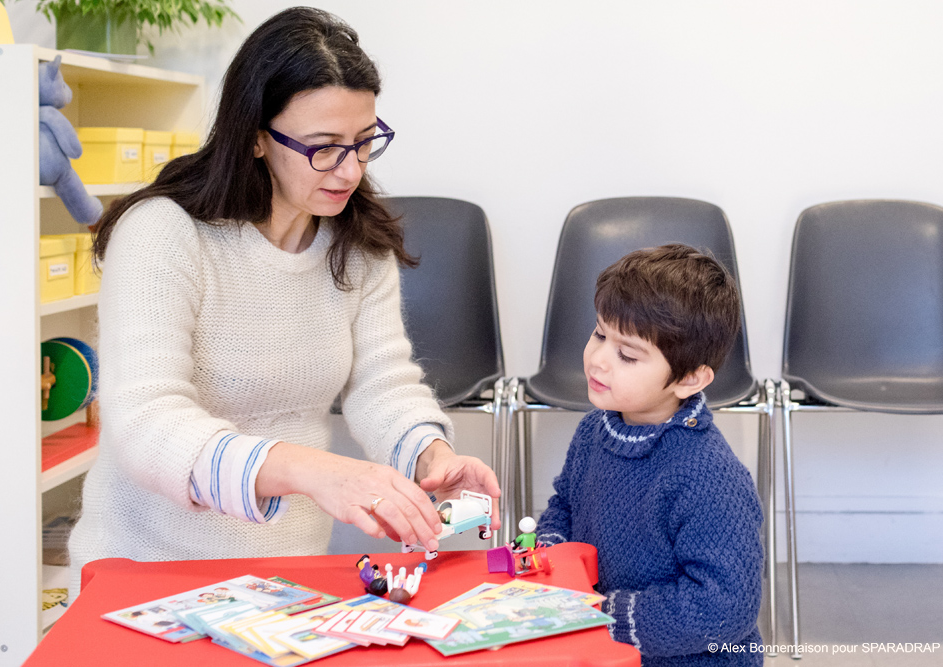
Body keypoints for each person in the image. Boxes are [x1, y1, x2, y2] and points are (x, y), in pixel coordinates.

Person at [67, 7, 500, 602]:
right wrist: (312, 469)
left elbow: (382, 384)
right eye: (323, 147)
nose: (350, 169)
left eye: (364, 142)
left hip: (284, 582)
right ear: (254, 136)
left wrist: (432, 456)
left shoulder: (355, 243)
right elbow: (145, 423)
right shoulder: (163, 233)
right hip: (147, 574)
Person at [535, 244, 763, 666]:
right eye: (600, 334)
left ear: (690, 378)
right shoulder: (594, 429)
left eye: (627, 354)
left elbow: (725, 606)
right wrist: (549, 555)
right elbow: (565, 505)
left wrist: (604, 616)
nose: (598, 360)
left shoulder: (709, 476)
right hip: (602, 648)